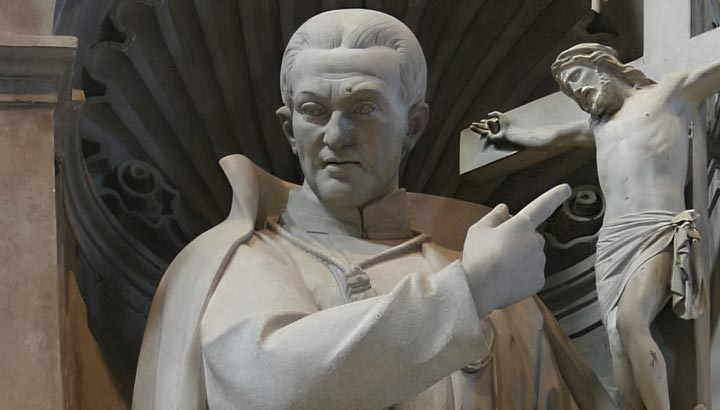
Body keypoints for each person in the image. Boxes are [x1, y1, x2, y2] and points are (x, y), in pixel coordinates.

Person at [132, 12, 613, 410]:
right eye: (314, 111)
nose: (337, 136)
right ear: (288, 129)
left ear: (413, 124)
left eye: (364, 108)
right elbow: (272, 384)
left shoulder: (504, 304)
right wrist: (467, 292)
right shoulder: (239, 264)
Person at [472, 43, 719, 410]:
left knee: (633, 320)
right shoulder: (598, 127)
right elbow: (551, 136)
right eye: (570, 91)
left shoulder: (669, 93)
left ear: (605, 68)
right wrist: (509, 132)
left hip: (655, 228)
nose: (578, 93)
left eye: (578, 80)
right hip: (612, 242)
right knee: (617, 342)